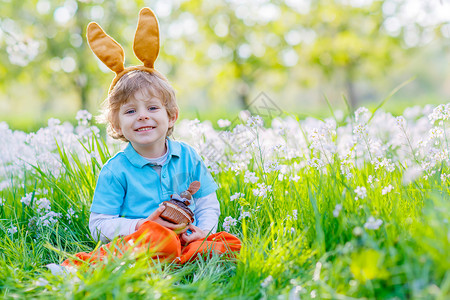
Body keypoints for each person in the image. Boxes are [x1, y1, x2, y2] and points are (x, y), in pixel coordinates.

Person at [58, 8, 240, 268]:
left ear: (172, 116)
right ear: (116, 123)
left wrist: (204, 230)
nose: (142, 116)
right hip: (142, 238)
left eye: (152, 108)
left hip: (186, 237)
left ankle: (179, 256)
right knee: (156, 241)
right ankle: (83, 267)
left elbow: (206, 203)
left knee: (229, 242)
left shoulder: (188, 157)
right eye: (130, 111)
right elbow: (98, 226)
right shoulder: (116, 170)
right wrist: (142, 225)